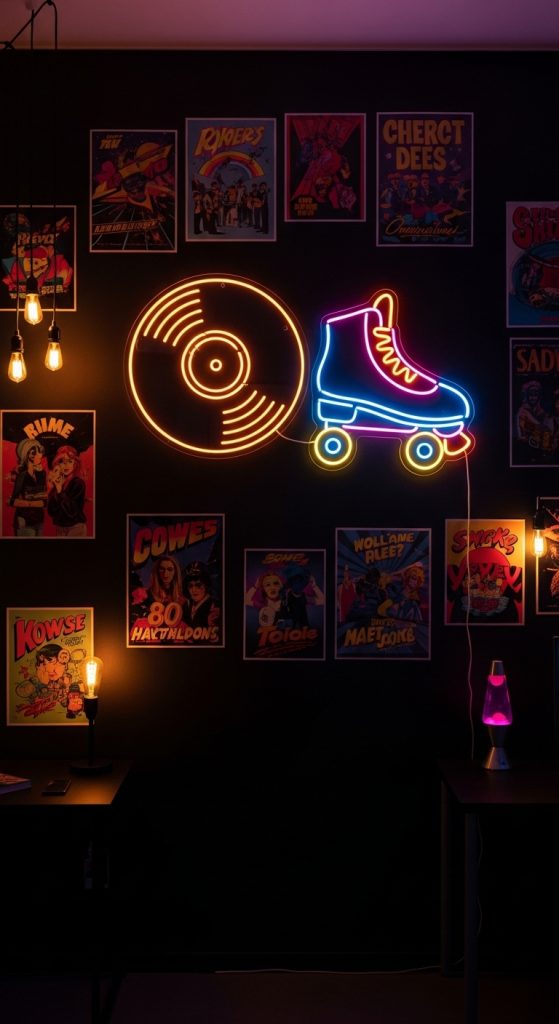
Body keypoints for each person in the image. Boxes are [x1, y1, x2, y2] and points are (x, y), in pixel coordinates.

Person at [9, 438, 48, 537]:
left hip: (39, 520)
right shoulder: (22, 476)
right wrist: (36, 501)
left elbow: (44, 501)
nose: (40, 455)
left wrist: (28, 500)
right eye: (34, 453)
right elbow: (13, 501)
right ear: (27, 456)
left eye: (40, 451)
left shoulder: (42, 474)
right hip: (24, 521)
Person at [47, 445, 88, 537]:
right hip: (60, 528)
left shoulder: (78, 483)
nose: (66, 465)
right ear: (58, 464)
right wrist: (54, 487)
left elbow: (72, 511)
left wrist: (60, 491)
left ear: (75, 464)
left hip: (76, 527)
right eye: (62, 462)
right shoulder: (58, 483)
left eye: (70, 461)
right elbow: (51, 511)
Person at [183, 561, 220, 627]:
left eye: (198, 585)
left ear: (206, 585)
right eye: (190, 586)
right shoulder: (186, 605)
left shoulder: (214, 605)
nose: (194, 590)